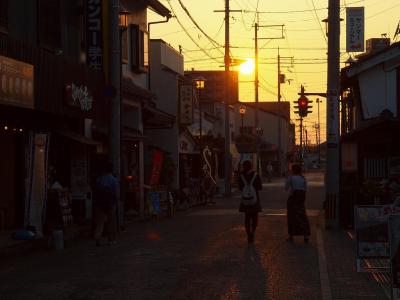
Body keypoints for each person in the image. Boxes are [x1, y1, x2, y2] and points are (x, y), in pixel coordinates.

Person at [93, 161, 118, 246]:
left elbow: (96, 190)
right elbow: (115, 192)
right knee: (111, 222)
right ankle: (111, 240)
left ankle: (97, 237)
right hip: (110, 203)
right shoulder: (113, 179)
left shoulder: (99, 179)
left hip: (99, 203)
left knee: (100, 222)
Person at [285, 164, 310, 243]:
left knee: (292, 216)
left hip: (293, 199)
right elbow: (305, 189)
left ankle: (291, 235)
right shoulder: (303, 178)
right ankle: (305, 235)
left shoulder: (291, 178)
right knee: (302, 216)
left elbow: (286, 188)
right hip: (301, 199)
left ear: (293, 170)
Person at [238, 160, 262, 243]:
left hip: (245, 200)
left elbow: (240, 188)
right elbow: (260, 187)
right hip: (254, 199)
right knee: (255, 217)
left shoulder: (241, 176)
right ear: (251, 166)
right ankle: (253, 232)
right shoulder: (255, 175)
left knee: (247, 218)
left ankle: (248, 234)